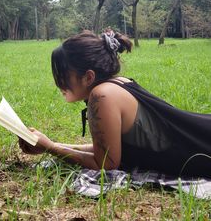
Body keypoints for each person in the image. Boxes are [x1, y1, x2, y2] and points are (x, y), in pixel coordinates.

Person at [19, 30, 211, 178]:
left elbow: (105, 164)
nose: (58, 83)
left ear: (88, 77)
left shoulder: (102, 95)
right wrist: (52, 144)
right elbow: (106, 149)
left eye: (62, 75)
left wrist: (50, 148)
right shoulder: (118, 83)